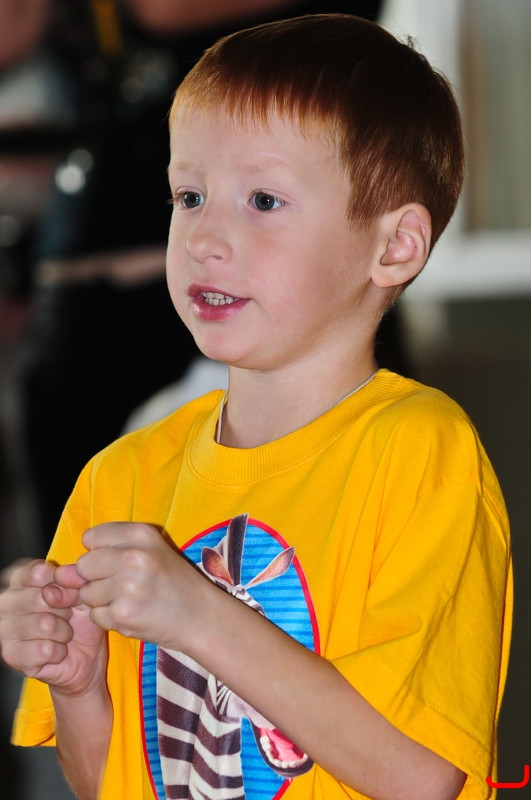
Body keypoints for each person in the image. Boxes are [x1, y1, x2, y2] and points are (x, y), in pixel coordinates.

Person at [0, 14, 512, 800]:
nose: (203, 237)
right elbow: (110, 780)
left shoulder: (419, 453)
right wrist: (78, 684)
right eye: (189, 195)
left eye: (263, 199)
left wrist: (200, 617)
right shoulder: (121, 476)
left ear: (393, 247)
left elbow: (419, 776)